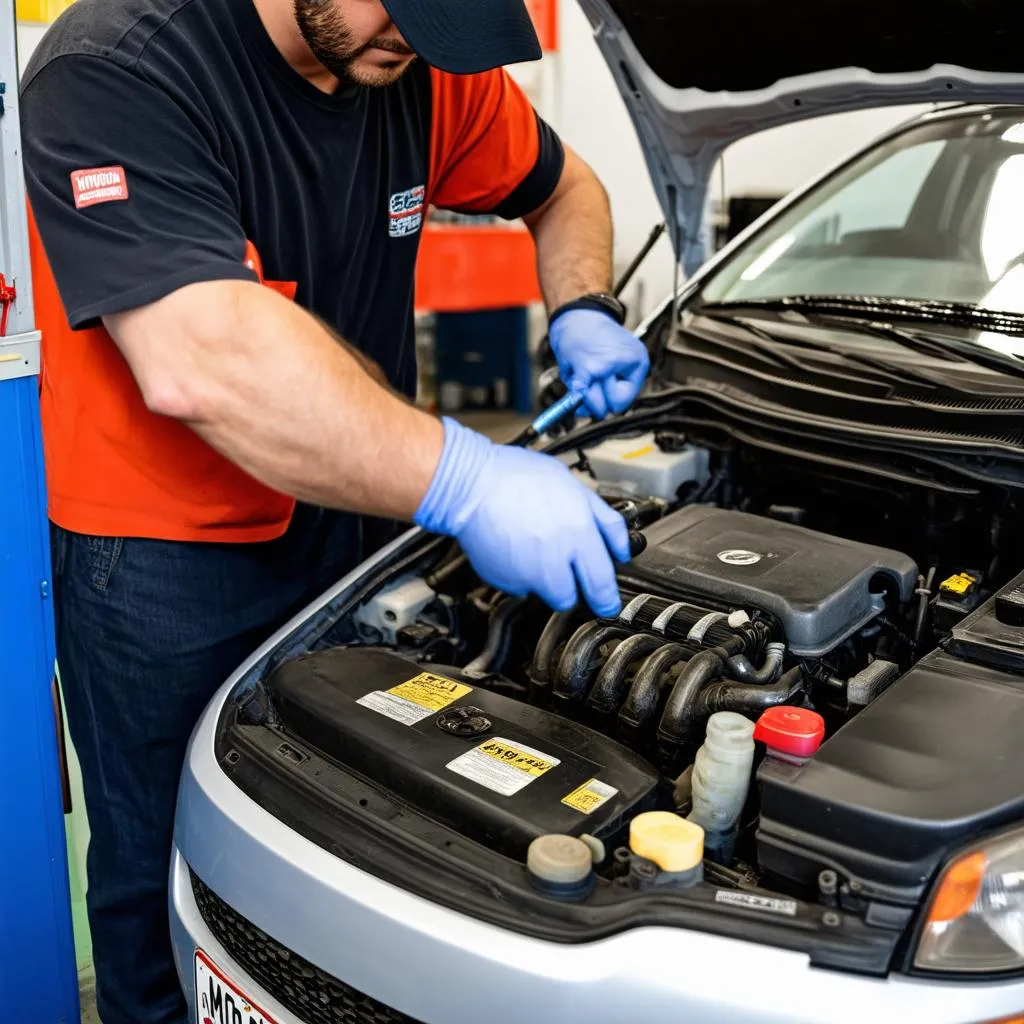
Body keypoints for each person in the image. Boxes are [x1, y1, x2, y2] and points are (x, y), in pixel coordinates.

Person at [20, 0, 650, 1019]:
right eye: (404, 12)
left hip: (355, 518)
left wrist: (583, 306)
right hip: (160, 554)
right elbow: (201, 358)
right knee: (160, 862)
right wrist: (468, 479)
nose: (413, 43)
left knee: (343, 821)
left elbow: (565, 188)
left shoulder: (417, 66)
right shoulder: (114, 65)